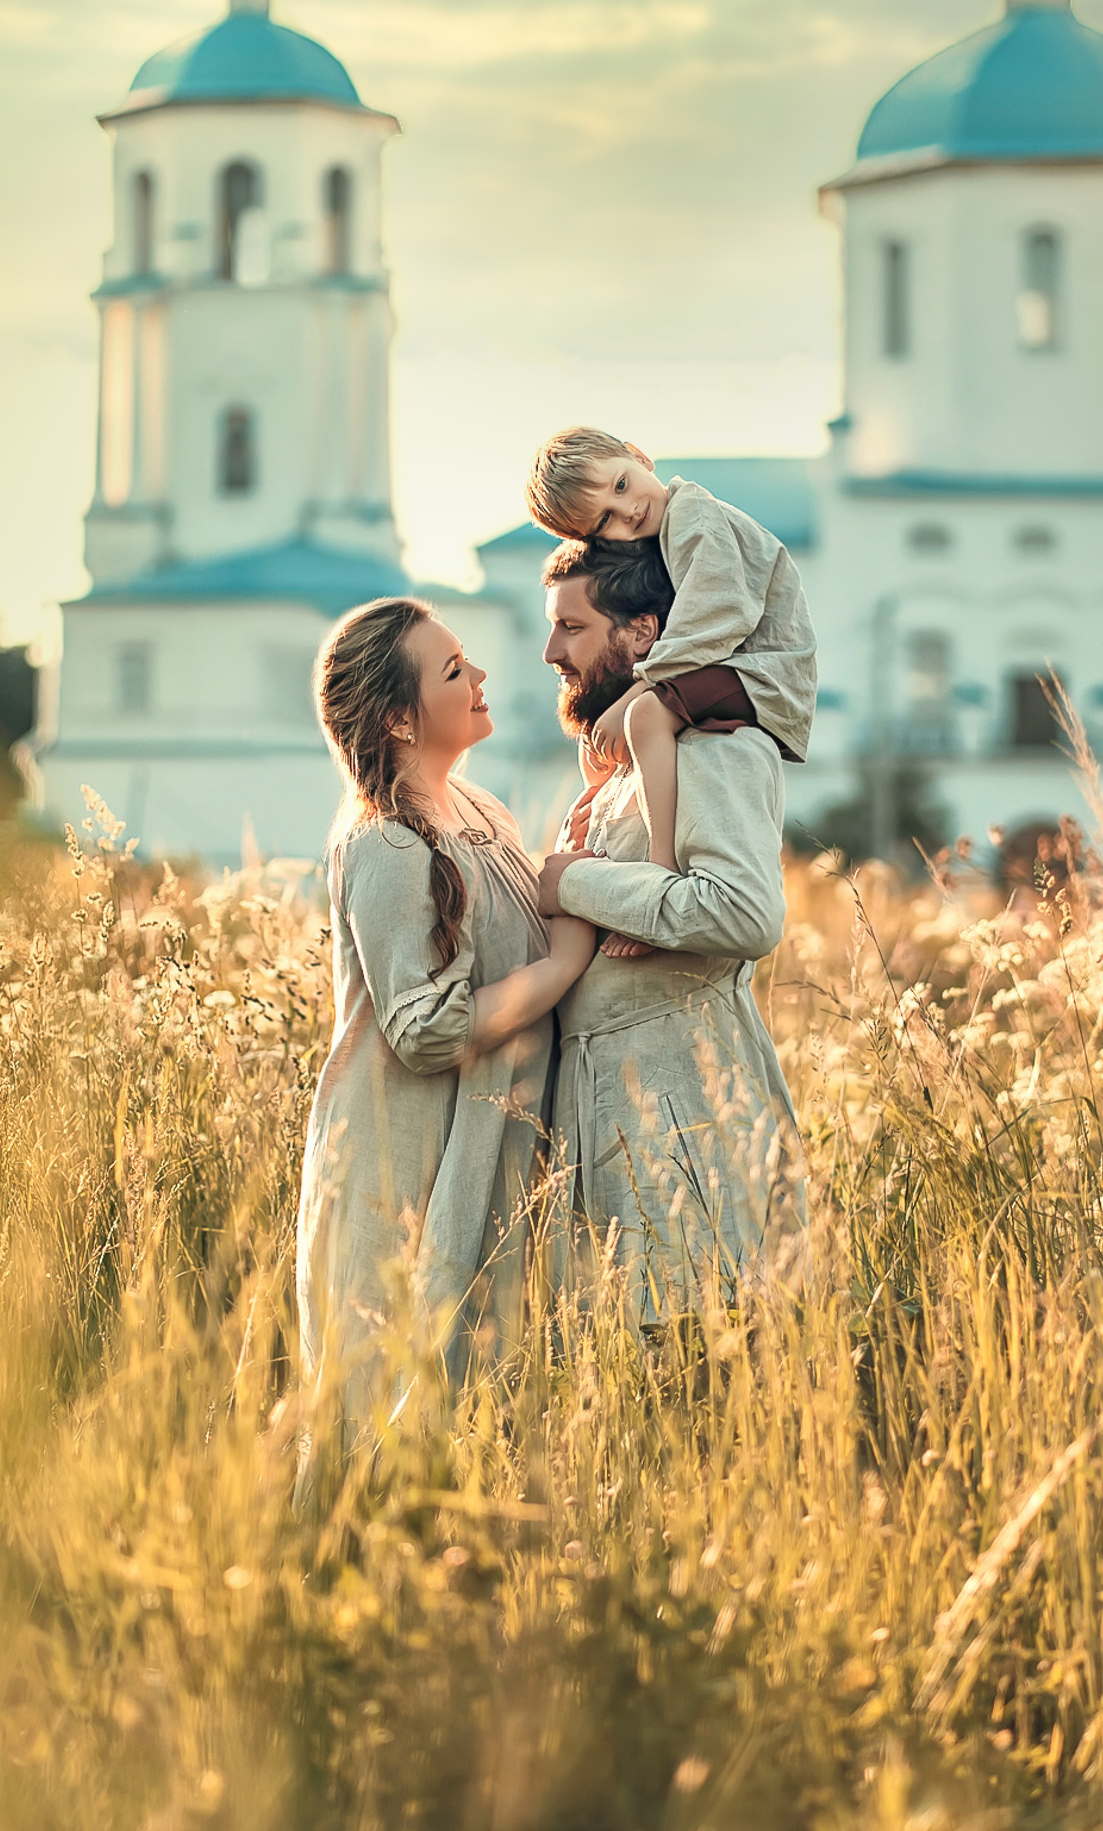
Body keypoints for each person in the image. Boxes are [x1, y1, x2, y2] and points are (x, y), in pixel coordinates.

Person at [296, 595, 597, 1443]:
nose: (482, 676)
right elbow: (423, 1031)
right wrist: (561, 964)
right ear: (398, 717)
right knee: (384, 1424)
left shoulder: (484, 812)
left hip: (482, 1148)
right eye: (454, 669)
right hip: (402, 1168)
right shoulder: (385, 844)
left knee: (480, 1424)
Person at [535, 537, 806, 1318]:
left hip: (689, 1124)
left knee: (700, 1374)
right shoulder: (626, 764)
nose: (551, 650)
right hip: (613, 1124)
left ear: (643, 633)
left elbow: (744, 911)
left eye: (572, 628)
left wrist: (572, 882)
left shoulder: (715, 748)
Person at [523, 429, 817, 956]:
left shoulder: (695, 519)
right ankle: (653, 867)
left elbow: (717, 618)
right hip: (738, 661)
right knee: (632, 726)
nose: (627, 509)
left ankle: (659, 871)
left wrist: (637, 690)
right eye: (604, 521)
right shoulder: (670, 531)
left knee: (644, 719)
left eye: (620, 483)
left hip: (763, 671)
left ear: (639, 455)